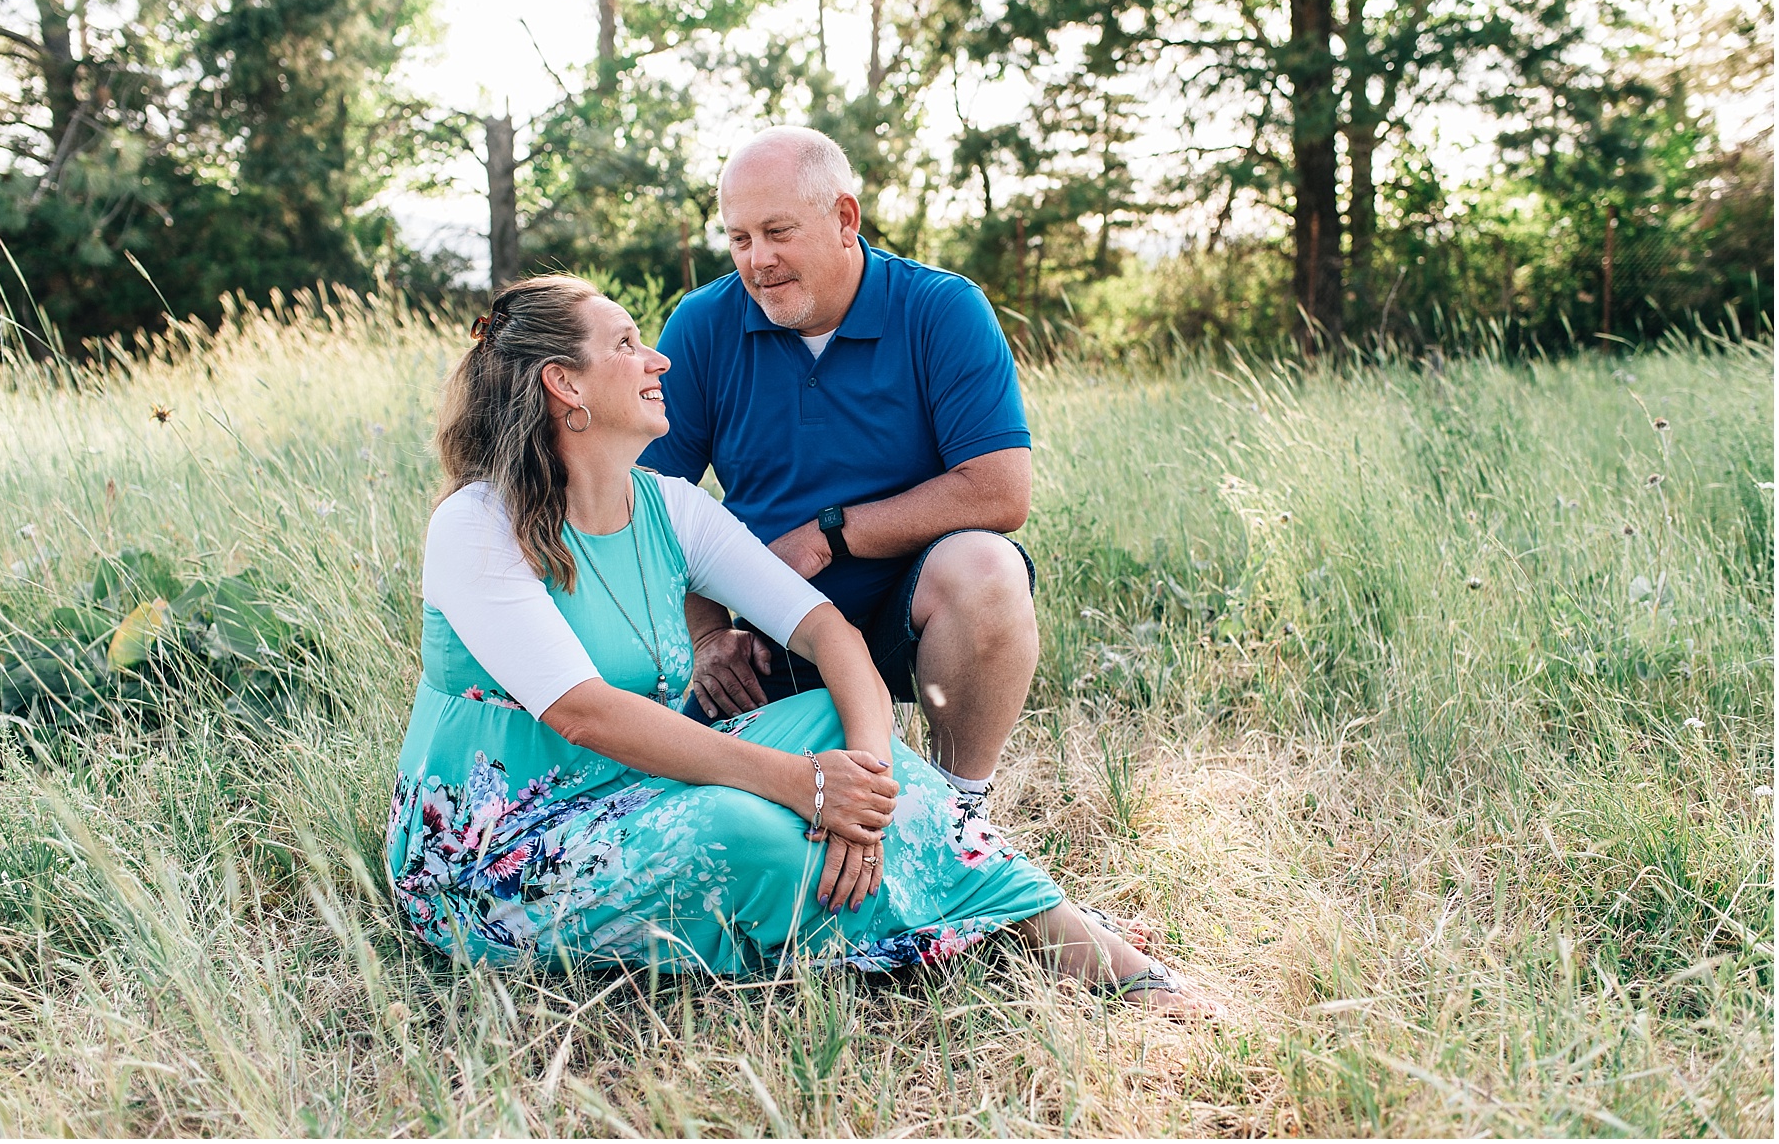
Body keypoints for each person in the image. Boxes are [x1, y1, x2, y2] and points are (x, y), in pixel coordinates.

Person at [385, 273, 1223, 1014]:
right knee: (741, 826)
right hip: (500, 853)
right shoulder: (476, 524)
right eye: (628, 345)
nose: (660, 360)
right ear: (564, 385)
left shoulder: (670, 507)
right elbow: (585, 713)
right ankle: (1012, 925)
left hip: (637, 791)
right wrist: (801, 785)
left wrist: (863, 791)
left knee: (831, 716)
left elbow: (830, 632)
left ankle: (1027, 914)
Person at [639, 126, 1035, 816]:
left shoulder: (943, 309)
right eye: (739, 239)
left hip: (905, 619)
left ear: (844, 219)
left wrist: (832, 532)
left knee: (988, 569)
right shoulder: (703, 323)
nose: (757, 260)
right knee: (685, 806)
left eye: (777, 232)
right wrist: (707, 633)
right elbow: (646, 502)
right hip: (768, 628)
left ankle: (959, 810)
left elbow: (1000, 488)